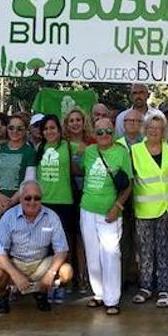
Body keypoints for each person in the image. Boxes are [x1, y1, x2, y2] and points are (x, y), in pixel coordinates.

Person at [0, 181, 74, 314]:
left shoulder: (51, 216)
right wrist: (15, 275)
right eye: (28, 198)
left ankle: (41, 292)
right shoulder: (8, 217)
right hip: (15, 262)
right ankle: (2, 295)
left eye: (37, 198)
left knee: (66, 272)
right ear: (21, 199)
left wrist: (50, 273)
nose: (32, 202)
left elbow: (61, 249)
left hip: (40, 263)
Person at [80, 118, 133, 315]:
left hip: (109, 209)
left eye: (108, 132)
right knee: (92, 254)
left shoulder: (121, 152)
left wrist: (117, 206)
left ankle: (112, 299)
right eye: (100, 132)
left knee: (110, 254)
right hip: (87, 208)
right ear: (94, 133)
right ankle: (99, 294)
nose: (104, 136)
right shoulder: (89, 151)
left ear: (114, 133)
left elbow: (128, 184)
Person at [130, 111, 168, 308]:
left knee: (164, 250)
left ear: (164, 130)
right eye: (150, 127)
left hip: (165, 209)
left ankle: (165, 289)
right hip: (143, 209)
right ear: (145, 129)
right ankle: (146, 286)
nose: (154, 131)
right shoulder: (135, 150)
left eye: (158, 128)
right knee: (146, 251)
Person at [35, 114, 81, 303]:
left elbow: (78, 169)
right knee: (45, 246)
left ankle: (63, 284)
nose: (49, 132)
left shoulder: (68, 146)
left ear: (59, 130)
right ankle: (46, 284)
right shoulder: (39, 148)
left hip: (64, 202)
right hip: (44, 203)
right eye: (46, 129)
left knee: (63, 245)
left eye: (53, 128)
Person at [63, 107, 95, 293]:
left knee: (82, 238)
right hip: (67, 194)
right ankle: (67, 277)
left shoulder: (92, 143)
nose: (75, 123)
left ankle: (83, 277)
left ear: (84, 123)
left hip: (86, 193)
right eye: (71, 120)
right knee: (67, 237)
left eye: (78, 120)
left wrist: (76, 169)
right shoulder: (62, 144)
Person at [0, 114, 37, 218]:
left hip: (19, 206)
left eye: (19, 129)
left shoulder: (29, 152)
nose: (15, 131)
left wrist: (9, 204)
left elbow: (29, 180)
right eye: (11, 128)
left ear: (26, 130)